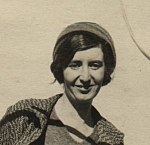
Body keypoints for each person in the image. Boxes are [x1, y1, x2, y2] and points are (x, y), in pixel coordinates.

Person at [0, 22, 124, 145]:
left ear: (106, 69)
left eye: (94, 65)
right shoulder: (25, 117)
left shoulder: (112, 139)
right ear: (60, 69)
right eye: (75, 65)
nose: (85, 77)